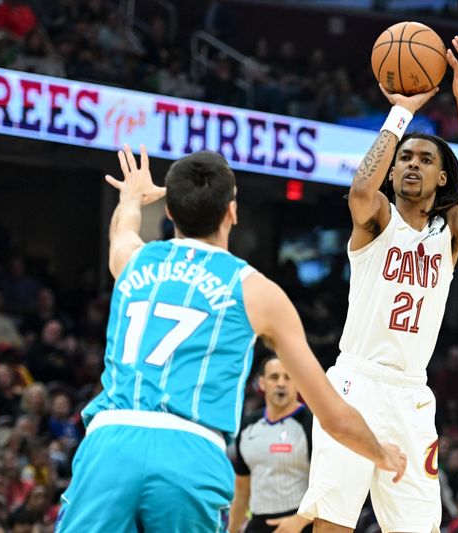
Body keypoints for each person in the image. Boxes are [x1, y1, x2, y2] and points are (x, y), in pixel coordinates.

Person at [55, 145, 407, 532]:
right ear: (232, 212)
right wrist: (381, 453)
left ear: (169, 211)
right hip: (190, 450)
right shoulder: (258, 292)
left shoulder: (132, 261)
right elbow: (332, 415)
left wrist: (131, 197)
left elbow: (122, 230)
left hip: (110, 442)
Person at [298, 35, 458, 533]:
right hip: (355, 383)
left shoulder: (448, 236)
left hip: (410, 396)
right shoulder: (377, 220)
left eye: (425, 160)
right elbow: (362, 187)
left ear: (443, 179)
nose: (411, 164)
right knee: (333, 522)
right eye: (406, 158)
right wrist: (401, 113)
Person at [229, 354, 313, 533]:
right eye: (274, 377)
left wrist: (299, 521)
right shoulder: (247, 426)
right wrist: (232, 530)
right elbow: (242, 489)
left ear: (297, 383)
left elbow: (325, 484)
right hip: (257, 524)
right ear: (262, 383)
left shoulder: (311, 424)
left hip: (299, 524)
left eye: (288, 377)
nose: (281, 383)